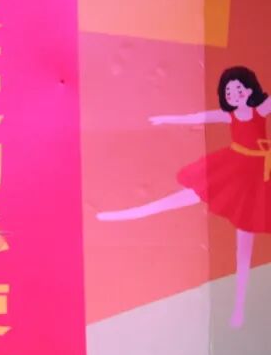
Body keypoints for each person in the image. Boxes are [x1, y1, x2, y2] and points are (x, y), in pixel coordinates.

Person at [97, 66, 271, 328]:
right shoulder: (229, 115)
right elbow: (196, 117)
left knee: (244, 245)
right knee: (187, 196)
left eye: (237, 88)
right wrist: (166, 119)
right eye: (228, 91)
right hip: (233, 170)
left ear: (249, 89)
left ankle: (238, 307)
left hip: (258, 179)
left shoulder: (261, 109)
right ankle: (135, 212)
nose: (233, 94)